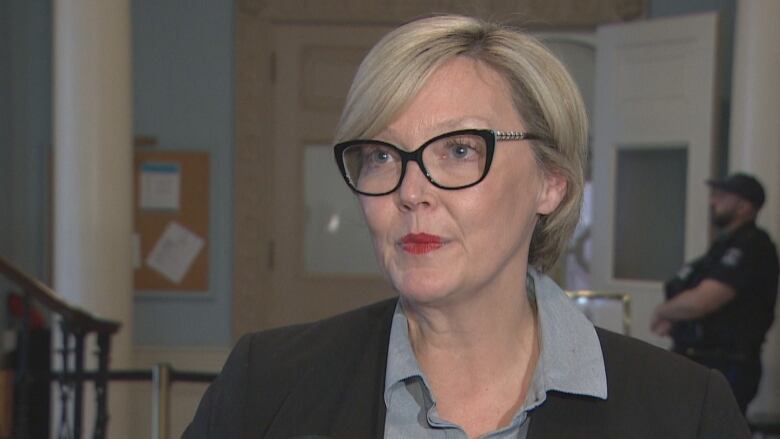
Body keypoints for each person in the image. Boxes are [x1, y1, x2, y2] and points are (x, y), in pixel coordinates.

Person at [185, 15, 748, 438]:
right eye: (381, 155)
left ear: (551, 181)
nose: (410, 191)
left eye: (458, 149)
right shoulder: (266, 386)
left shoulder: (684, 411)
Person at [652, 172, 779, 414]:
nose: (713, 202)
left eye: (722, 196)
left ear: (743, 206)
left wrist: (663, 311)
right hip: (698, 360)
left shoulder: (752, 247)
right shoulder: (722, 247)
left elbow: (703, 301)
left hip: (725, 364)